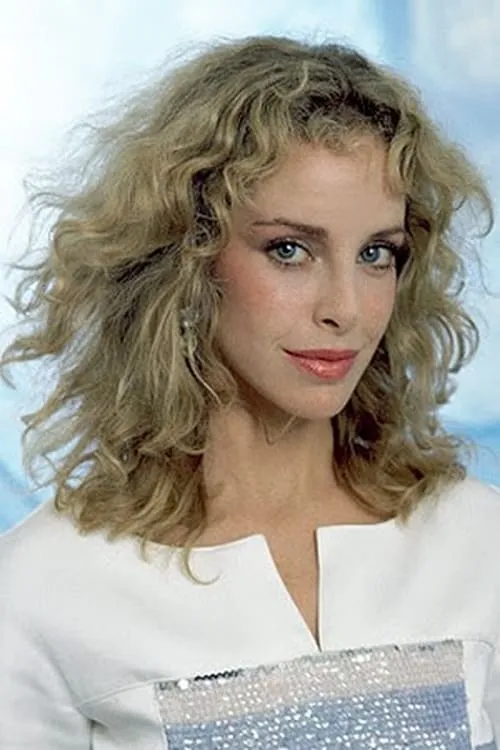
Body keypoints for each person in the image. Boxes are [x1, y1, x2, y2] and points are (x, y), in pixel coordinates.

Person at [0, 33, 499, 750]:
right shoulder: (45, 587)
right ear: (186, 257)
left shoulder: (477, 541)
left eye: (376, 253)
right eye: (289, 250)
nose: (346, 308)